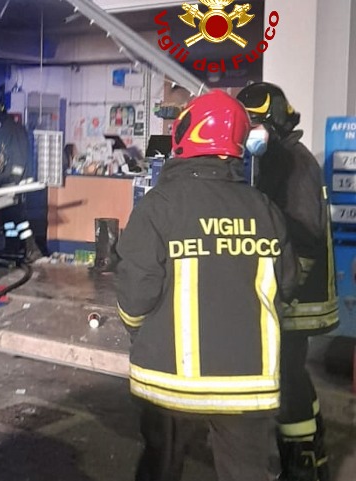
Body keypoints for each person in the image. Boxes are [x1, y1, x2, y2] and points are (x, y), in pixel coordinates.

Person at [115, 89, 297, 481]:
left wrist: (138, 330)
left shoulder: (159, 206)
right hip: (248, 384)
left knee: (161, 467)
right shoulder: (265, 209)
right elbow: (287, 287)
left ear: (186, 135)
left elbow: (134, 294)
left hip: (168, 380)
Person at [238, 82, 338, 481]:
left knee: (288, 379)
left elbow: (303, 238)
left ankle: (300, 466)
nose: (249, 134)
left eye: (255, 124)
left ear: (276, 121)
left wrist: (284, 292)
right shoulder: (283, 158)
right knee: (296, 376)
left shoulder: (292, 163)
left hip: (296, 301)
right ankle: (315, 454)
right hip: (296, 294)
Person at [0, 99, 42, 262]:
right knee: (8, 216)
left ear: (0, 117)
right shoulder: (2, 132)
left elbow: (18, 157)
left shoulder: (14, 131)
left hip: (16, 181)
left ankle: (31, 248)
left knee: (17, 215)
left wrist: (14, 179)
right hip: (5, 181)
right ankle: (12, 246)